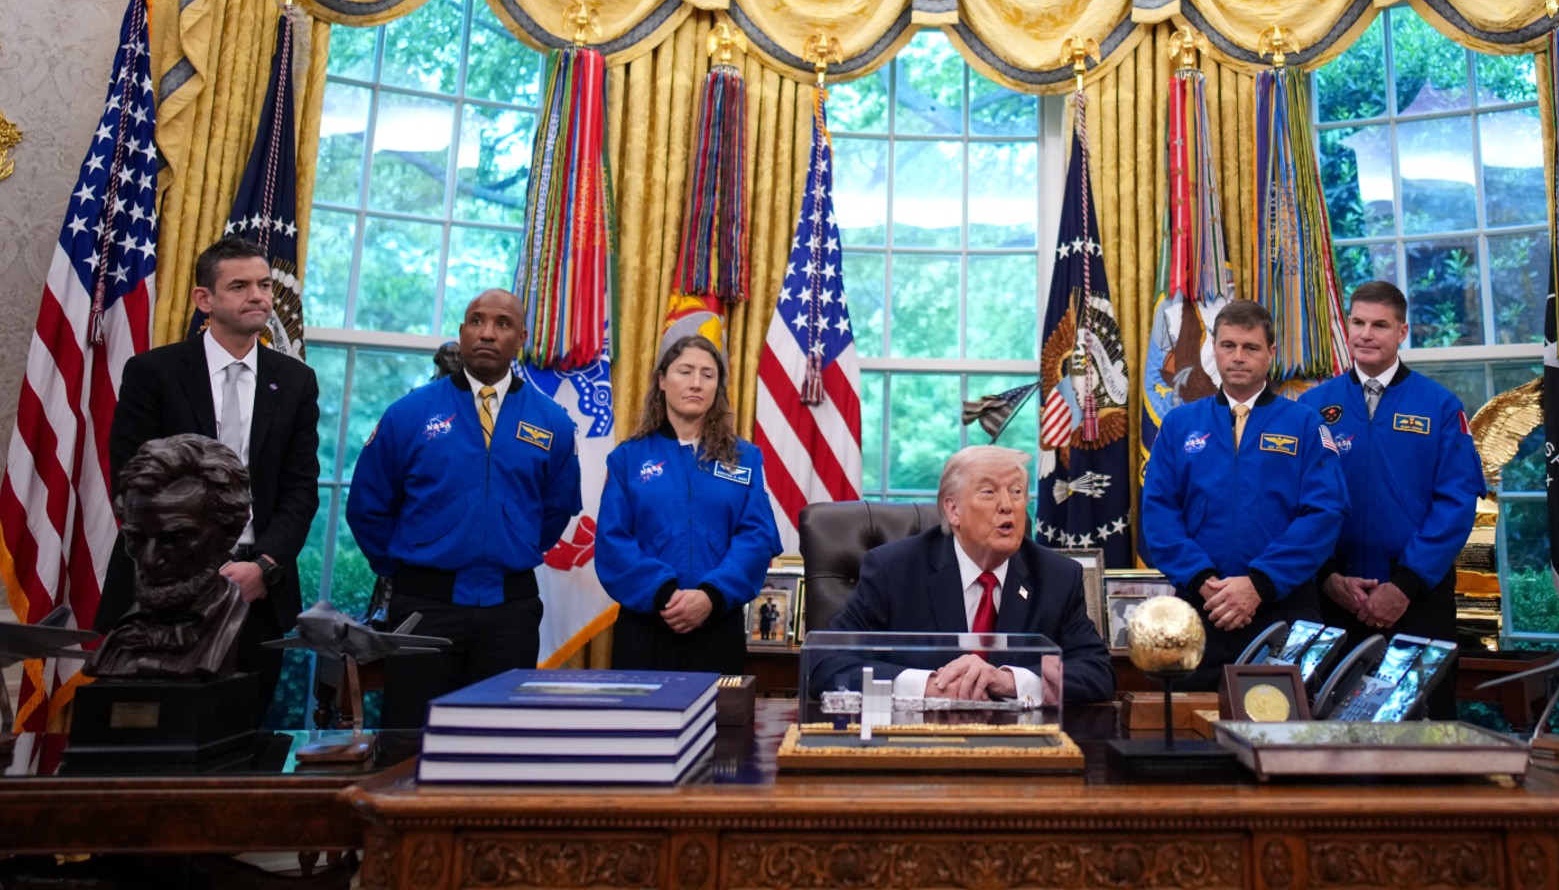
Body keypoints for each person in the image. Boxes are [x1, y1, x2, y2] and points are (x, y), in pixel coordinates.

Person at [103, 235, 320, 722]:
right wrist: (193, 568)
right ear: (205, 300)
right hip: (163, 590)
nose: (259, 296)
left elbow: (300, 490)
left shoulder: (296, 381)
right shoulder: (152, 372)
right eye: (240, 286)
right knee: (152, 744)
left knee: (236, 744)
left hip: (256, 593)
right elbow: (133, 481)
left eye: (264, 285)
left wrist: (263, 566)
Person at [347, 288, 581, 728]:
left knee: (497, 747)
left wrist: (511, 541)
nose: (487, 333)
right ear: (462, 332)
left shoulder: (552, 422)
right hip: (424, 607)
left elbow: (555, 511)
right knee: (409, 743)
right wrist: (407, 569)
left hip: (510, 612)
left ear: (521, 339)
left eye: (502, 324)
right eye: (477, 321)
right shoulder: (410, 413)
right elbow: (368, 507)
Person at [1296, 281, 1483, 718]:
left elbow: (1456, 503)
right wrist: (1327, 577)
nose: (1366, 334)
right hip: (1332, 597)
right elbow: (1297, 503)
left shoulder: (1439, 406)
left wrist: (1406, 584)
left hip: (1417, 598)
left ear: (1402, 332)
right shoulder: (1312, 407)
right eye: (1358, 322)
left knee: (1424, 731)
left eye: (1380, 325)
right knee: (1330, 729)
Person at [1139, 299, 1346, 691]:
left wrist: (1259, 584)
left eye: (1250, 347)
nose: (1238, 357)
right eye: (1228, 345)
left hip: (1283, 609)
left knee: (1285, 735)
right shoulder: (1180, 424)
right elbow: (1159, 514)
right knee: (1191, 732)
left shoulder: (1305, 424)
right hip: (1201, 609)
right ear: (1214, 347)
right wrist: (1203, 580)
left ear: (1270, 353)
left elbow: (1324, 514)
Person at [825, 446, 1115, 705]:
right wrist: (927, 686)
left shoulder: (1057, 576)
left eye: (1016, 492)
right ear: (953, 510)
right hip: (918, 745)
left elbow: (1096, 671)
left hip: (1022, 749)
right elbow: (826, 661)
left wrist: (1007, 681)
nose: (1007, 505)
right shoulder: (894, 570)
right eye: (989, 492)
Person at [594, 335, 780, 674]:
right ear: (662, 381)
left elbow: (757, 536)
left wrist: (711, 595)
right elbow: (612, 541)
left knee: (721, 726)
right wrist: (664, 592)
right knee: (645, 726)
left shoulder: (744, 458)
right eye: (685, 371)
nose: (696, 383)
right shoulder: (628, 458)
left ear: (718, 387)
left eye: (708, 375)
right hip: (646, 625)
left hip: (717, 624)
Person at [89, 436, 254, 680]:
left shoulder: (230, 623)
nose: (150, 561)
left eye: (175, 538)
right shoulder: (121, 636)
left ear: (228, 535)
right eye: (138, 538)